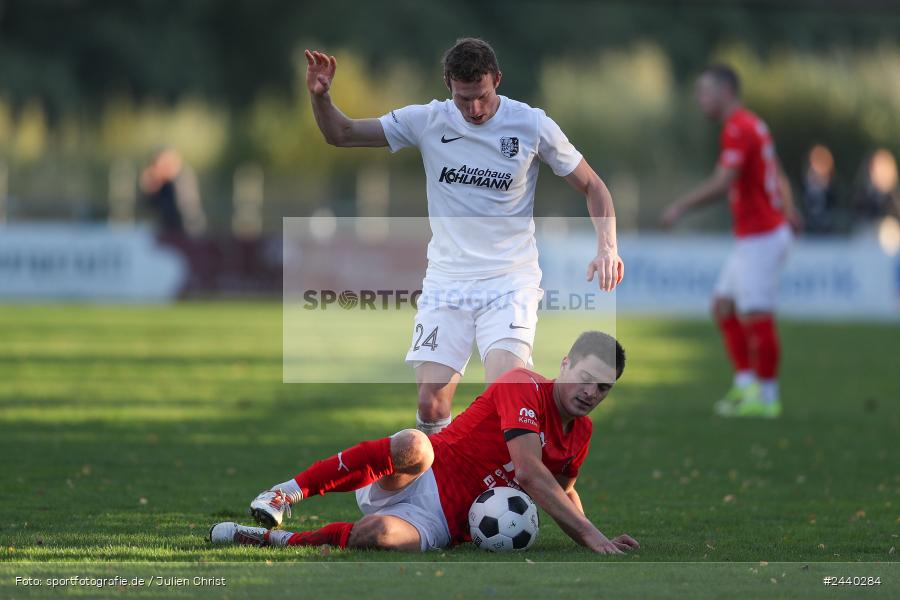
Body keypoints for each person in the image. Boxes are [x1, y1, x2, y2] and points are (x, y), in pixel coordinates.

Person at [303, 39, 624, 435]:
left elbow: (593, 185)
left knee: (508, 392)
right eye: (463, 99)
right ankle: (439, 486)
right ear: (447, 86)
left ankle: (509, 483)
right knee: (431, 401)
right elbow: (343, 133)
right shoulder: (427, 120)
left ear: (498, 81)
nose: (474, 109)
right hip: (447, 282)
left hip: (510, 281)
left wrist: (607, 246)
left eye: (483, 97)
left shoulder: (532, 124)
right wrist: (321, 98)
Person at [210, 331, 638, 554]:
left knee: (375, 535)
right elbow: (528, 470)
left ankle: (273, 541)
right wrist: (589, 536)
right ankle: (286, 493)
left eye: (603, 388)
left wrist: (596, 537)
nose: (591, 393)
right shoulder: (522, 385)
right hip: (419, 477)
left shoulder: (581, 432)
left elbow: (562, 491)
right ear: (565, 364)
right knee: (416, 443)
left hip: (444, 525)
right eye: (585, 379)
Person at [661, 65, 801, 418]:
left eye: (704, 92)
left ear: (725, 92)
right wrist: (790, 207)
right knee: (723, 305)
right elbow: (777, 169)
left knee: (757, 313)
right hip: (757, 234)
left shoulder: (738, 127)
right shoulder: (752, 123)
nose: (700, 100)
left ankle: (767, 398)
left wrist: (680, 206)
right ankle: (747, 384)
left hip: (762, 236)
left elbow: (724, 181)